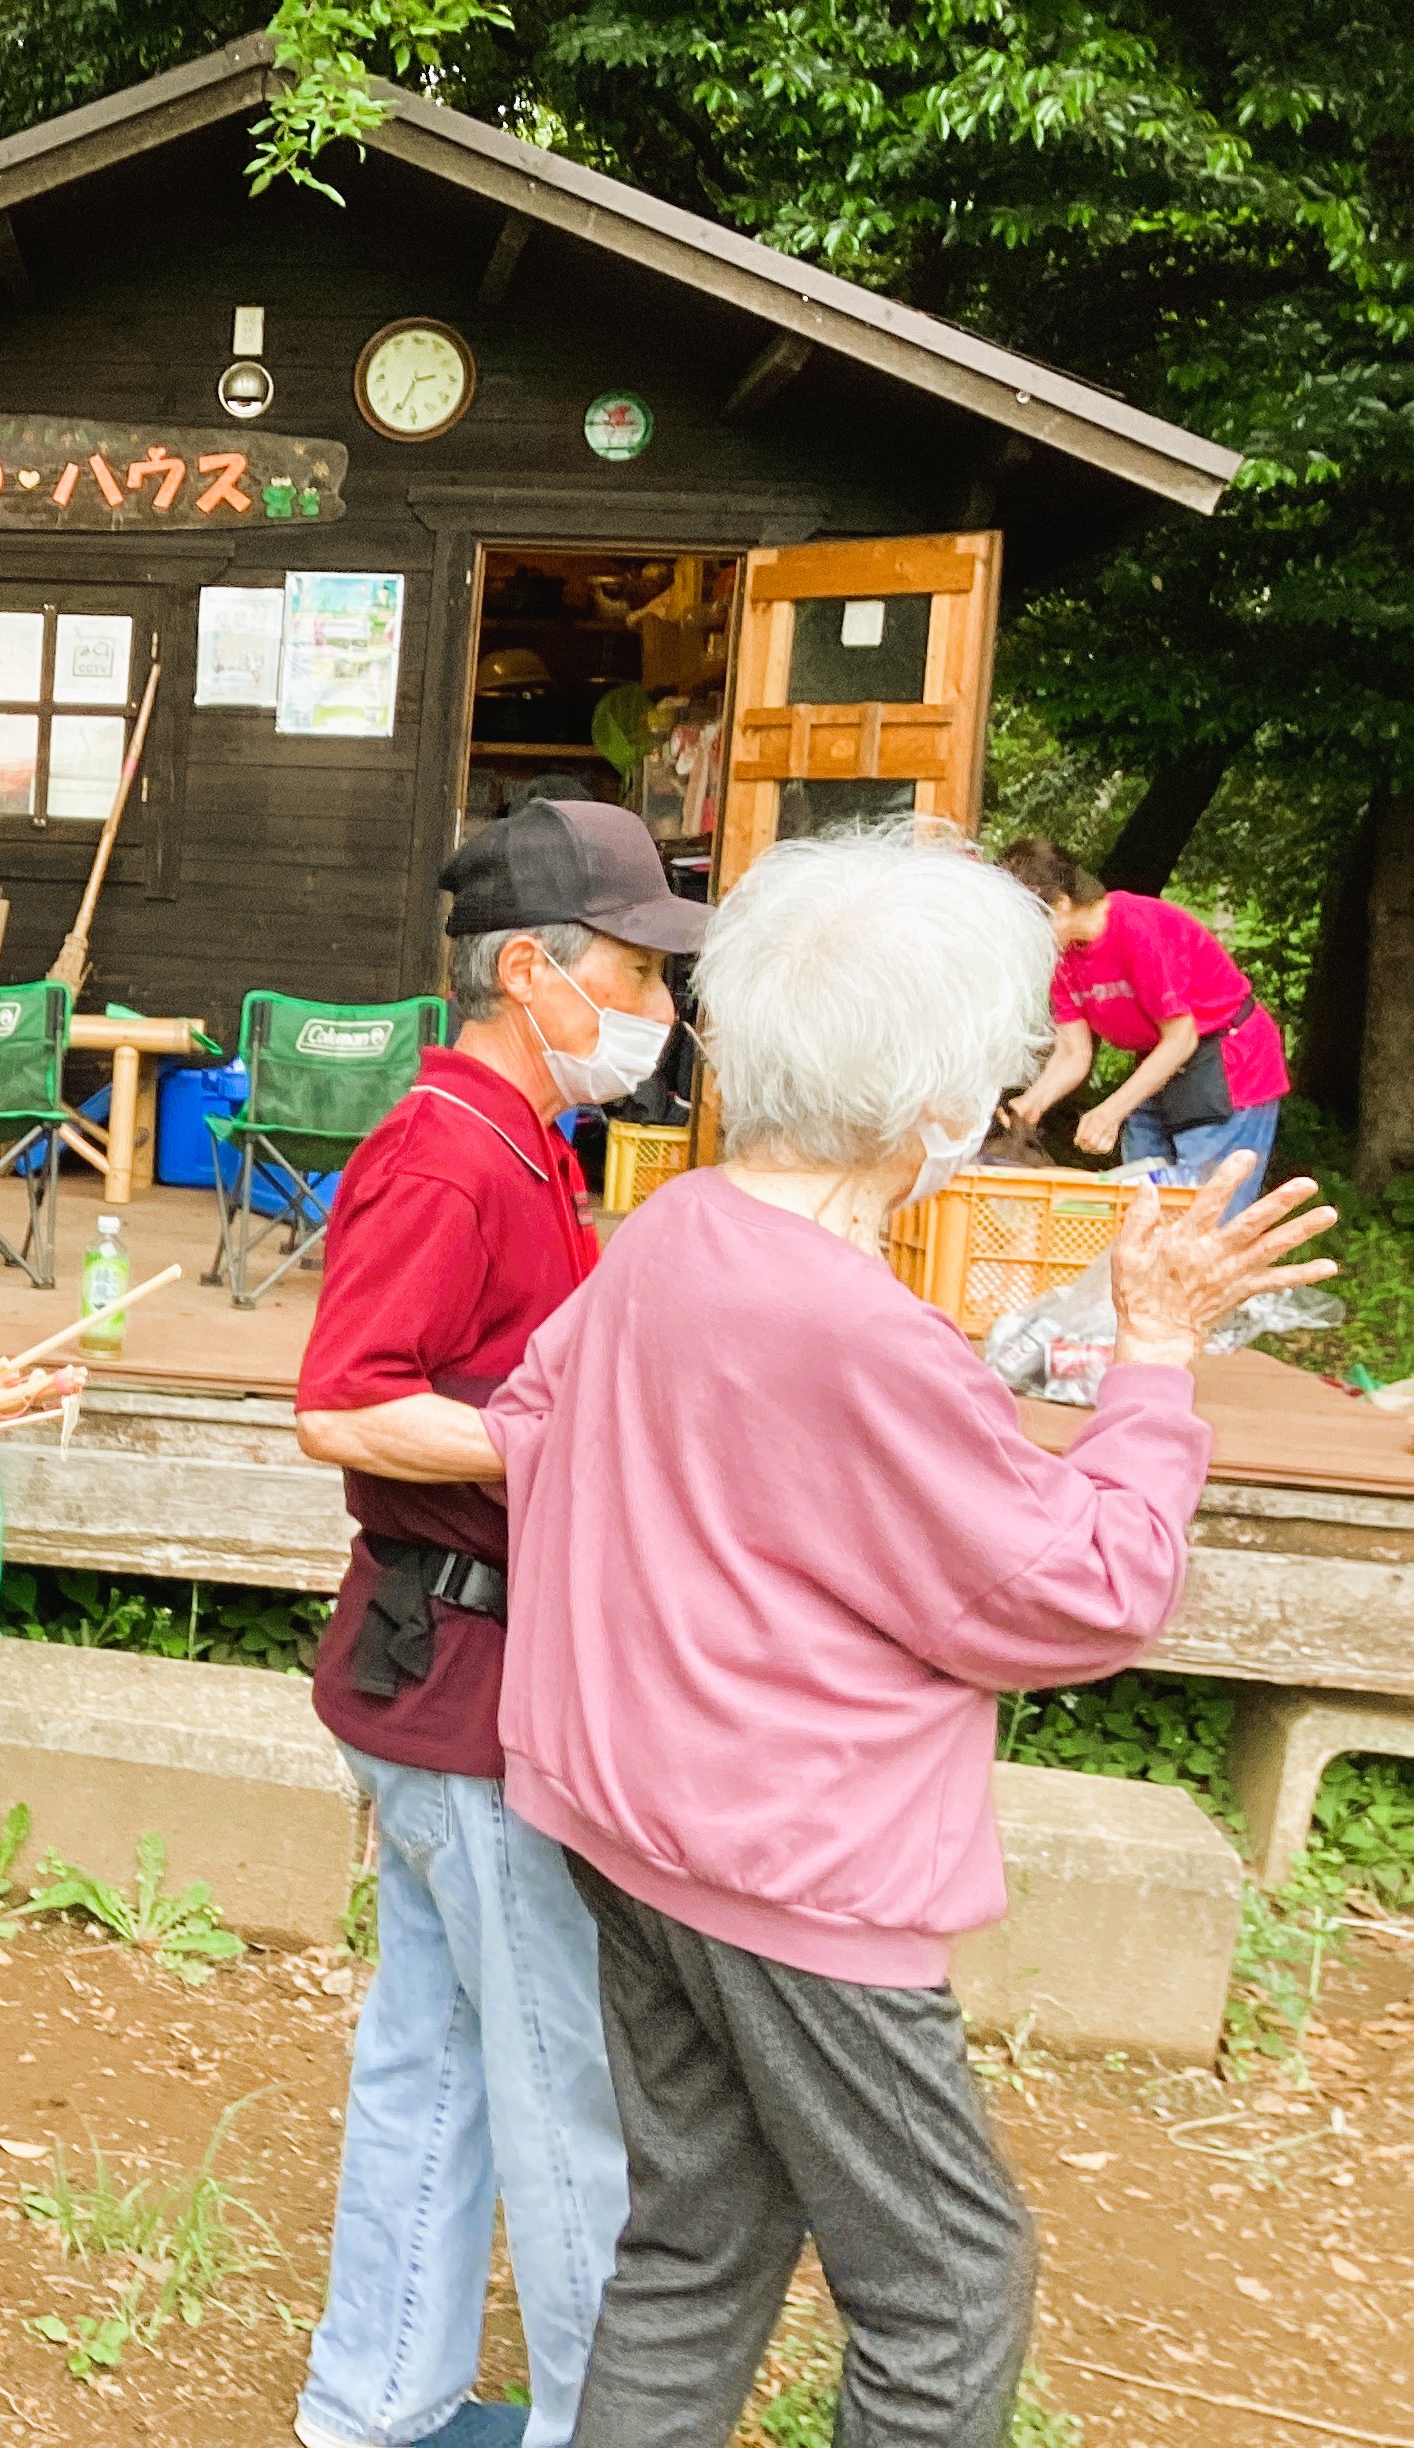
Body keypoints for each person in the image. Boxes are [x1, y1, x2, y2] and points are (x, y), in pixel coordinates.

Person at [493, 829, 1334, 2447]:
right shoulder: (862, 1335)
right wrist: (1152, 1359)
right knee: (945, 2283)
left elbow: (535, 1423)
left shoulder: (664, 1231)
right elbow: (1080, 1592)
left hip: (614, 1806)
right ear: (931, 1096)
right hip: (789, 1867)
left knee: (693, 2242)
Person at [291, 799, 708, 2448]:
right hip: (457, 1679)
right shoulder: (444, 1147)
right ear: (526, 968)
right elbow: (340, 1405)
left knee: (439, 2051)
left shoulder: (526, 1137)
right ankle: (602, 2423)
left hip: (451, 1670)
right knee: (557, 2086)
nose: (656, 1011)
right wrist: (564, 1445)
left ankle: (369, 2403)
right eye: (631, 970)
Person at [995, 838, 1289, 1201]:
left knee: (1204, 1214)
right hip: (1160, 1065)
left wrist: (1110, 1112)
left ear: (1062, 905)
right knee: (1140, 1208)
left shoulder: (1139, 929)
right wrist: (1031, 1104)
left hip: (1228, 1065)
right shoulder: (1063, 955)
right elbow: (1073, 1053)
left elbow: (1181, 1038)